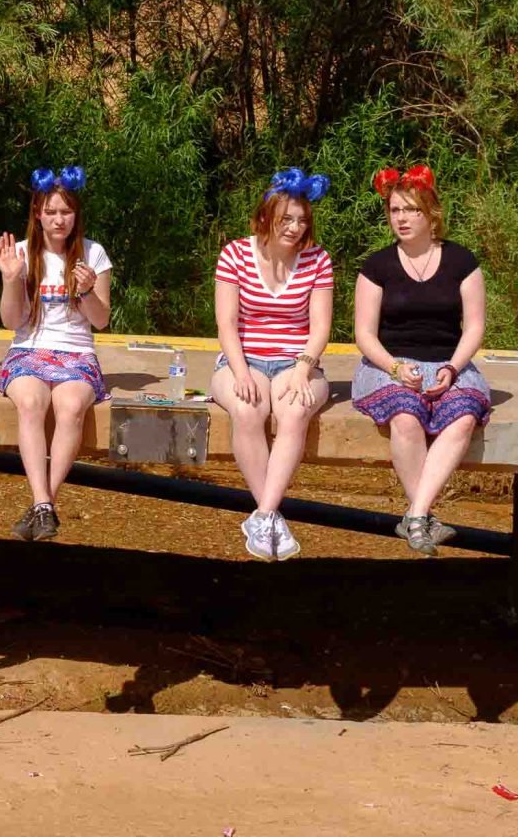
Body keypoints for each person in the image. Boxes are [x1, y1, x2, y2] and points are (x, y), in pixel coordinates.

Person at [352, 165, 490, 556]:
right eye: (395, 210)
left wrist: (452, 369)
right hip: (389, 365)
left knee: (463, 415)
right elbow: (364, 334)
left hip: (449, 361)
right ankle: (422, 519)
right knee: (406, 414)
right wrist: (395, 368)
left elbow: (475, 327)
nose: (401, 218)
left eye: (410, 210)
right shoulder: (377, 266)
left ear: (431, 213)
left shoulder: (462, 261)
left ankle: (414, 515)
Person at [210, 168, 334, 562]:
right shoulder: (235, 254)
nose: (295, 228)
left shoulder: (317, 260)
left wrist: (302, 369)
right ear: (265, 218)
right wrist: (241, 371)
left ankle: (263, 514)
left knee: (294, 409)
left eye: (301, 220)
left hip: (297, 360)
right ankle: (271, 514)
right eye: (286, 219)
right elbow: (226, 323)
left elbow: (321, 328)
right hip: (241, 358)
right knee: (248, 408)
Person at [0, 166, 112, 541]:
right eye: (51, 212)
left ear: (76, 215)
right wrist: (12, 281)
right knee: (31, 400)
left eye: (66, 212)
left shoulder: (93, 253)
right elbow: (12, 321)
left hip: (77, 353)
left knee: (72, 405)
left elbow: (102, 321)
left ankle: (43, 503)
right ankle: (44, 505)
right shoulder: (22, 254)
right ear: (37, 214)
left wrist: (87, 291)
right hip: (29, 349)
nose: (59, 219)